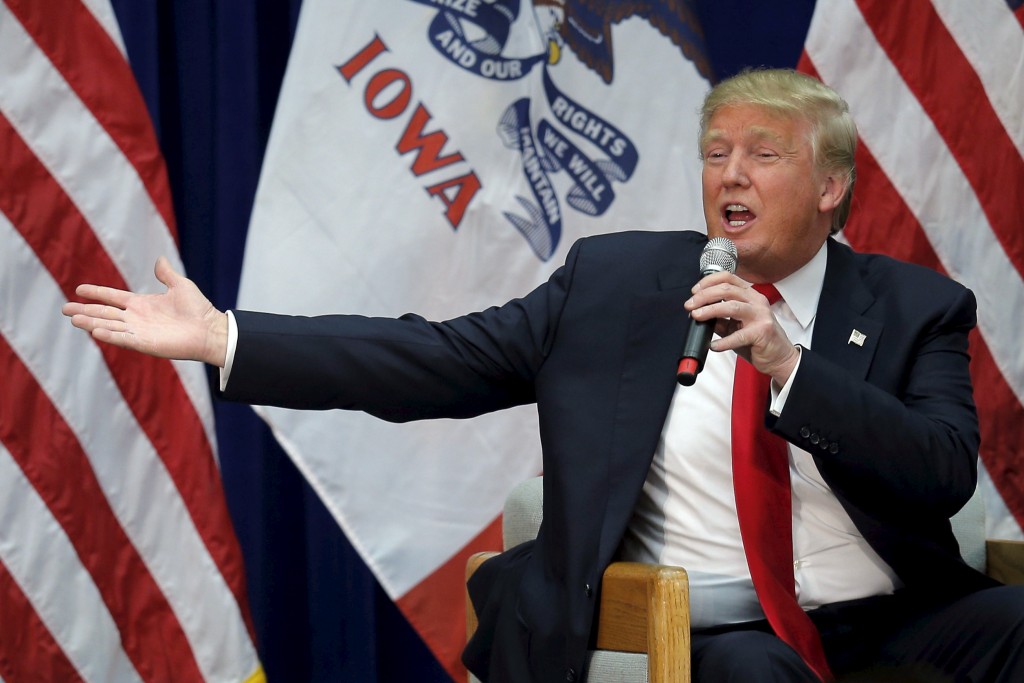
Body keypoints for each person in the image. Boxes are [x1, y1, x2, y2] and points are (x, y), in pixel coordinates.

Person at [63, 68, 1023, 682]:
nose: (730, 176)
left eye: (762, 156)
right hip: (709, 630)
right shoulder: (618, 285)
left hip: (891, 618)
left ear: (830, 187)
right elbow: (433, 359)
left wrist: (788, 366)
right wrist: (229, 337)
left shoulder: (914, 305)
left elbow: (940, 470)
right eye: (716, 153)